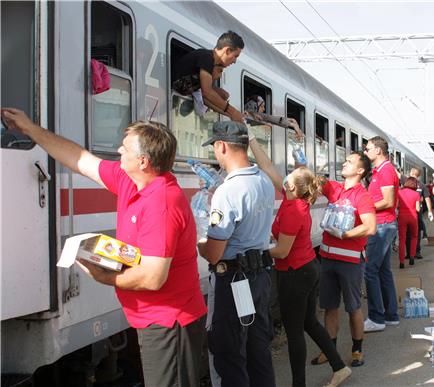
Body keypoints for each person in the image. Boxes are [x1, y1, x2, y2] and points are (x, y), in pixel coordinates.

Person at [1, 108, 207, 386]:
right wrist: (30, 129)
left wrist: (103, 275)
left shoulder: (162, 203)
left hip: (169, 322)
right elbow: (79, 159)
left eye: (126, 148)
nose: (119, 150)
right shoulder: (131, 181)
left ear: (143, 161)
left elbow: (152, 276)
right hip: (154, 318)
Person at [247, 128, 352, 387]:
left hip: (294, 273)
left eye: (289, 176)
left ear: (292, 185)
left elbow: (282, 251)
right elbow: (267, 165)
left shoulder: (293, 210)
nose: (284, 177)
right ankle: (339, 367)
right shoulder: (292, 198)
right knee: (309, 324)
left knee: (295, 333)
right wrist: (251, 138)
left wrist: (255, 250)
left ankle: (299, 385)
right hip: (305, 268)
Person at [197, 121, 276, 387]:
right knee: (257, 348)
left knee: (229, 352)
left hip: (234, 280)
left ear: (221, 146)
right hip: (257, 277)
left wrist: (200, 242)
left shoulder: (227, 191)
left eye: (215, 149)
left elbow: (214, 253)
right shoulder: (263, 180)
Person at [311, 151, 376, 368]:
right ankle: (329, 351)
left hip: (350, 261)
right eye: (345, 160)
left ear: (360, 170)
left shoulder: (362, 196)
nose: (344, 163)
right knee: (329, 307)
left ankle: (357, 350)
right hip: (328, 257)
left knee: (353, 308)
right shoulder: (335, 188)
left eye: (350, 161)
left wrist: (345, 234)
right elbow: (313, 182)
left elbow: (370, 226)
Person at [362, 136, 399, 333]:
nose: (365, 152)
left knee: (370, 271)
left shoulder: (385, 171)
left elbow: (388, 201)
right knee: (383, 271)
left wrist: (364, 208)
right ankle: (391, 315)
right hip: (383, 225)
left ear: (378, 150)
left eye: (368, 149)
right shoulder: (381, 171)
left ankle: (376, 317)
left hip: (382, 226)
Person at [173, 31, 245, 122]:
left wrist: (231, 115)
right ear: (227, 50)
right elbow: (207, 92)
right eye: (235, 56)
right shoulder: (207, 58)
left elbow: (206, 99)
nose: (234, 61)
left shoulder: (208, 60)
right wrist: (233, 112)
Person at [406, 167, 434, 260]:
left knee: (409, 234)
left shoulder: (408, 183)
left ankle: (410, 252)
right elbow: (427, 199)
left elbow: (426, 198)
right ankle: (416, 251)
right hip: (417, 212)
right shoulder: (421, 185)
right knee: (415, 233)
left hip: (409, 212)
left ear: (411, 173)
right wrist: (430, 211)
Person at [397, 177, 421, 269]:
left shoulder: (399, 192)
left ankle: (402, 262)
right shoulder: (416, 194)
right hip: (413, 217)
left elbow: (397, 205)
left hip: (402, 217)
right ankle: (412, 257)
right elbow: (418, 209)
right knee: (414, 237)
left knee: (402, 239)